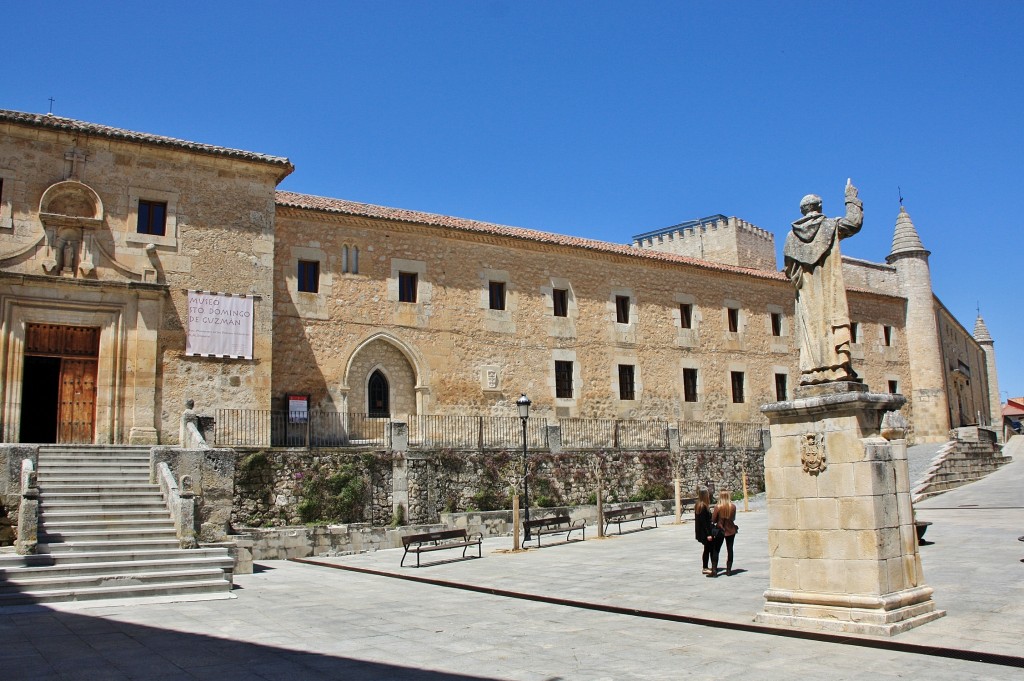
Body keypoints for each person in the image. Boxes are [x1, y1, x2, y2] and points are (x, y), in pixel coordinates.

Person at [783, 180, 863, 386]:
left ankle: (812, 371)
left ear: (802, 210)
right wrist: (851, 198)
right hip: (829, 286)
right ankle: (837, 367)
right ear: (819, 207)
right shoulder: (830, 226)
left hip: (806, 292)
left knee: (811, 328)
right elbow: (854, 223)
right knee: (830, 320)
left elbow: (790, 270)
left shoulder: (791, 237)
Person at [712, 490, 738, 576]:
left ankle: (714, 570)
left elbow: (713, 519)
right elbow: (733, 518)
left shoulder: (718, 507)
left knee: (716, 549)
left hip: (720, 530)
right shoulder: (733, 507)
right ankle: (729, 570)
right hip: (730, 529)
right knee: (730, 549)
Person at [693, 487, 718, 576]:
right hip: (705, 532)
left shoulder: (699, 505)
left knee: (707, 549)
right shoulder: (702, 507)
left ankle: (707, 566)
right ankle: (705, 567)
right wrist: (708, 534)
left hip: (702, 532)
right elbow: (704, 523)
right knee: (708, 549)